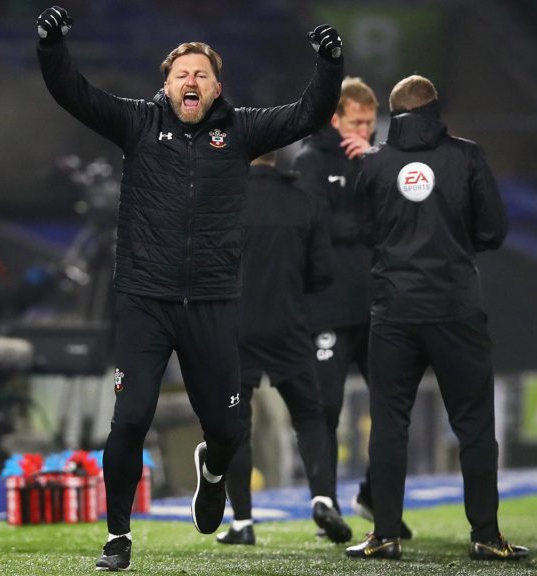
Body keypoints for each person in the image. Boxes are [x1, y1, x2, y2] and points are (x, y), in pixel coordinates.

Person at [34, 5, 343, 570]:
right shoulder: (136, 123)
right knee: (128, 420)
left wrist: (329, 64)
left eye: (201, 74)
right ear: (167, 85)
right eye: (182, 74)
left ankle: (214, 469)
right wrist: (51, 46)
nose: (192, 81)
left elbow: (310, 112)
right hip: (145, 300)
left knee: (227, 428)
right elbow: (72, 92)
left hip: (211, 302)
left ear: (217, 86)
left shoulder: (242, 129)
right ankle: (118, 536)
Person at [344, 75, 528, 561]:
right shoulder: (466, 156)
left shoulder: (374, 163)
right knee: (472, 426)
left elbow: (360, 230)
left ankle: (384, 535)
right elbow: (494, 230)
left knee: (388, 425)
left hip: (394, 311)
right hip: (455, 309)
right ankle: (486, 536)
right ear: (436, 110)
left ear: (392, 112)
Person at [292, 77, 413, 537]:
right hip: (325, 308)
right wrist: (366, 218)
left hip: (378, 307)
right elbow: (317, 229)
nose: (364, 130)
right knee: (326, 408)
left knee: (390, 406)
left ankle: (372, 494)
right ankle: (327, 505)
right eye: (355, 122)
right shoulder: (310, 161)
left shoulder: (380, 163)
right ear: (334, 119)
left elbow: (397, 222)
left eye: (369, 122)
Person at [215, 151, 350, 546]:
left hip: (235, 329)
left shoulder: (224, 198)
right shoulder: (304, 200)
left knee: (235, 425)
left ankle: (242, 521)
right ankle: (323, 498)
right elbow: (324, 272)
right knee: (310, 416)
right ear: (277, 158)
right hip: (289, 327)